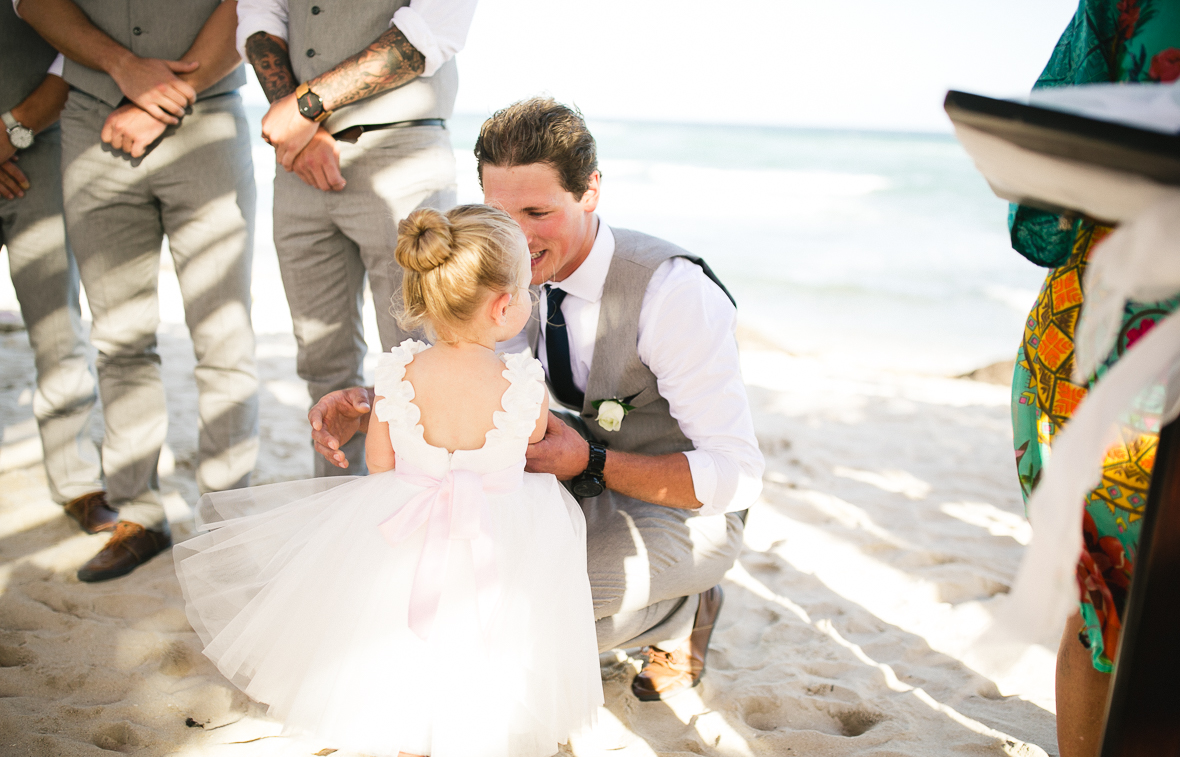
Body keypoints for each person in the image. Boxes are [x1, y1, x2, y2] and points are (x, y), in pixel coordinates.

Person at [310, 98, 765, 701]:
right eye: (500, 213)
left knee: (530, 605)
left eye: (538, 211)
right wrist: (374, 400)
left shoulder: (673, 294)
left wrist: (594, 463)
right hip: (552, 484)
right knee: (419, 587)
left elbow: (738, 477)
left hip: (681, 505)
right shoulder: (501, 275)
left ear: (591, 192)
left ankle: (684, 610)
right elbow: (466, 369)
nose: (518, 238)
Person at [176, 204, 601, 757]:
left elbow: (379, 463)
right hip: (500, 534)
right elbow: (528, 446)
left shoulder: (397, 372)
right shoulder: (524, 384)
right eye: (528, 291)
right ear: (504, 306)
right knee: (493, 641)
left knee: (406, 643)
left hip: (409, 528)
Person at [1008, 2, 1180, 757]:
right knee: (1106, 610)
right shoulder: (1124, 7)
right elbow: (1038, 224)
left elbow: (1038, 224)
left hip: (1113, 343)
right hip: (1104, 357)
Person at [19, 0, 259, 582]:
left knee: (224, 343)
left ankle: (228, 522)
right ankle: (139, 516)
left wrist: (169, 95)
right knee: (119, 341)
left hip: (208, 120)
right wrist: (124, 65)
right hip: (91, 125)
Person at [236, 0, 477, 477]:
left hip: (403, 155)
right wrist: (301, 130)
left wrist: (305, 110)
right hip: (298, 166)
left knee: (425, 363)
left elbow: (429, 33)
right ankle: (339, 520)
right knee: (322, 368)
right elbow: (260, 14)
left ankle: (426, 522)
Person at [1, 5, 118, 536]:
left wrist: (12, 129)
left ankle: (76, 481)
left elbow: (78, 45)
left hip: (42, 148)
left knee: (57, 325)